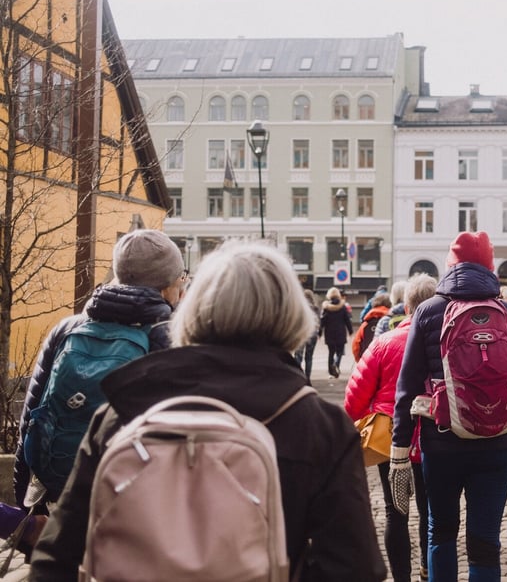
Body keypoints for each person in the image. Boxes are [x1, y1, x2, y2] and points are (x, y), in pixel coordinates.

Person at [28, 241, 386, 581]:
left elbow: (57, 556)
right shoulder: (319, 426)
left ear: (193, 309)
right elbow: (355, 568)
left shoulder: (126, 405)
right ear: (292, 317)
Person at [12, 229, 186, 546]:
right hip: (132, 506)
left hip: (62, 494)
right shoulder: (170, 339)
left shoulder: (67, 328)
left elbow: (32, 418)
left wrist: (25, 502)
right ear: (168, 287)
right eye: (181, 281)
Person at [390, 231, 507, 582]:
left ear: (450, 264)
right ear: (490, 266)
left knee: (441, 531)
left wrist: (399, 453)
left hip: (441, 441)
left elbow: (406, 388)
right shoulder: (506, 311)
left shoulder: (428, 311)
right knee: (485, 539)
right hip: (499, 444)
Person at [345, 273, 437, 582]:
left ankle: (401, 577)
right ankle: (428, 568)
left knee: (395, 511)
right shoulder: (443, 343)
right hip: (433, 438)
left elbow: (355, 394)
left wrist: (351, 424)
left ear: (407, 306)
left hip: (390, 437)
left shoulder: (385, 342)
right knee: (431, 509)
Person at [319, 286, 353, 378]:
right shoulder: (342, 307)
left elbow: (322, 321)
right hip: (340, 333)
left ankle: (331, 371)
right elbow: (347, 320)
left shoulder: (326, 308)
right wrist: (350, 331)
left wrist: (319, 332)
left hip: (329, 333)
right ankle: (336, 365)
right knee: (339, 352)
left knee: (331, 352)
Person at [352, 292, 391, 361]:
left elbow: (356, 346)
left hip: (368, 361)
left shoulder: (365, 324)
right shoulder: (391, 322)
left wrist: (361, 361)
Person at [295, 289, 321, 381]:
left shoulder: (299, 307)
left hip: (301, 334)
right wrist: (319, 333)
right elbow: (318, 322)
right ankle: (308, 378)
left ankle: (298, 376)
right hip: (312, 334)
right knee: (309, 357)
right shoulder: (316, 308)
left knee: (298, 356)